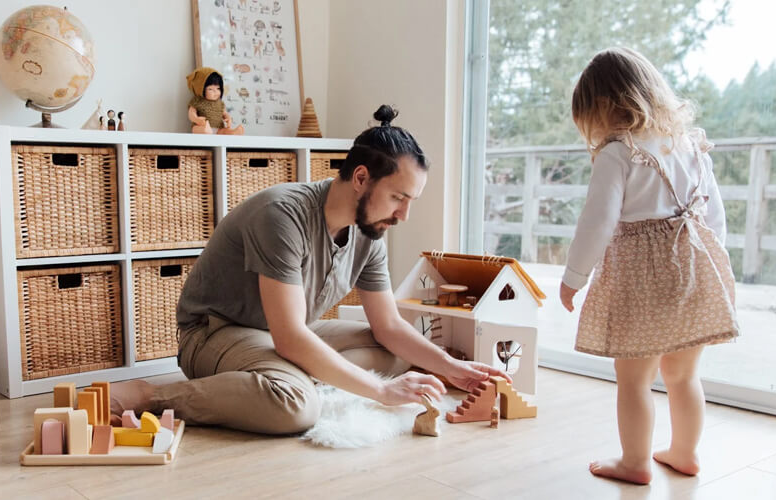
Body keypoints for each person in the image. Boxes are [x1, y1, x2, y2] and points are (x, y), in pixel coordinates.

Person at [111, 105, 511, 434]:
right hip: (216, 332)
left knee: (394, 355)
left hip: (286, 331)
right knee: (297, 408)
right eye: (398, 198)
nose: (404, 215)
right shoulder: (281, 215)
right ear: (360, 178)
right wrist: (381, 393)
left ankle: (293, 378)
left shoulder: (369, 233)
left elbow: (389, 326)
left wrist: (455, 369)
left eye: (411, 201)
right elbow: (289, 338)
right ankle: (154, 396)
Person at [559, 47, 739, 485]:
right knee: (682, 374)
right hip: (695, 268)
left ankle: (635, 463)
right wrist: (716, 266)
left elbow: (597, 222)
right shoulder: (691, 145)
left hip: (643, 278)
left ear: (603, 107)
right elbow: (715, 219)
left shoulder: (619, 153)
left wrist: (573, 278)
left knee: (634, 378)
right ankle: (684, 452)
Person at [186, 67, 244, 135]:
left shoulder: (220, 103)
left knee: (224, 131)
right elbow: (191, 113)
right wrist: (196, 119)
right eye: (210, 89)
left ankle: (233, 133)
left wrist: (228, 119)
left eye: (218, 88)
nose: (215, 92)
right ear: (200, 89)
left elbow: (224, 113)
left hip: (218, 128)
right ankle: (206, 130)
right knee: (195, 129)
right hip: (202, 125)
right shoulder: (197, 101)